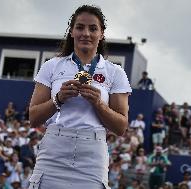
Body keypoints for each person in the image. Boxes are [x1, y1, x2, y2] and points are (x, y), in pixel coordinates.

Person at [28, 4, 131, 189]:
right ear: (72, 32)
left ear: (102, 34)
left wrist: (99, 104)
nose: (86, 33)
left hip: (92, 154)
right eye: (80, 27)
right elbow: (33, 118)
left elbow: (121, 127)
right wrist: (57, 99)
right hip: (54, 150)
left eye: (93, 28)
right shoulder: (52, 66)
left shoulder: (115, 72)